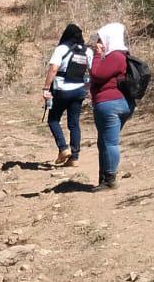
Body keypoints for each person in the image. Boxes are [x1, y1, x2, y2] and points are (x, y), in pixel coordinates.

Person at [89, 22, 132, 190]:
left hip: (110, 104)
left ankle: (110, 179)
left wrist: (98, 55)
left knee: (110, 142)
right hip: (118, 103)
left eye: (101, 39)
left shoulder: (115, 56)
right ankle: (104, 176)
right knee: (104, 141)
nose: (98, 42)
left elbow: (97, 74)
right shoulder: (122, 55)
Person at [41, 23, 90, 167]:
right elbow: (92, 71)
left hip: (62, 90)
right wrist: (87, 89)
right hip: (79, 90)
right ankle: (74, 157)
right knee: (74, 123)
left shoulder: (61, 49)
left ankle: (63, 148)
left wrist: (46, 88)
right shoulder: (87, 51)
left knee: (53, 119)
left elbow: (53, 69)